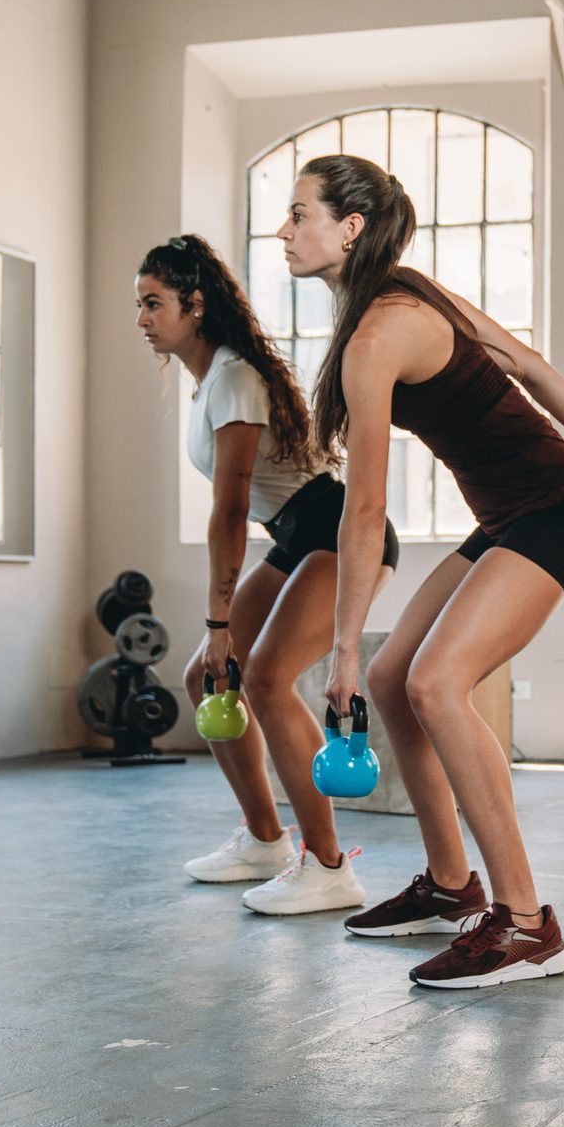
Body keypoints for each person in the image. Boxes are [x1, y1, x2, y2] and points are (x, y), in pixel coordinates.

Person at [281, 153, 564, 990]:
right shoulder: (407, 295)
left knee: (432, 683)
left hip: (558, 514)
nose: (284, 231)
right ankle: (450, 886)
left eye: (299, 215)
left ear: (349, 228)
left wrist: (342, 649)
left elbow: (363, 513)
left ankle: (530, 924)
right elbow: (529, 364)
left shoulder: (379, 332)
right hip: (512, 516)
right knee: (397, 681)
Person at [136, 234, 399, 916]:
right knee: (204, 678)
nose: (142, 318)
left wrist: (219, 623)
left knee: (264, 678)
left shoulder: (232, 378)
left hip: (334, 531)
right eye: (139, 304)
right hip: (294, 535)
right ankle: (264, 840)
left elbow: (227, 513)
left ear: (196, 305)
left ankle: (330, 865)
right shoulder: (209, 383)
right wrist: (217, 634)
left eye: (155, 303)